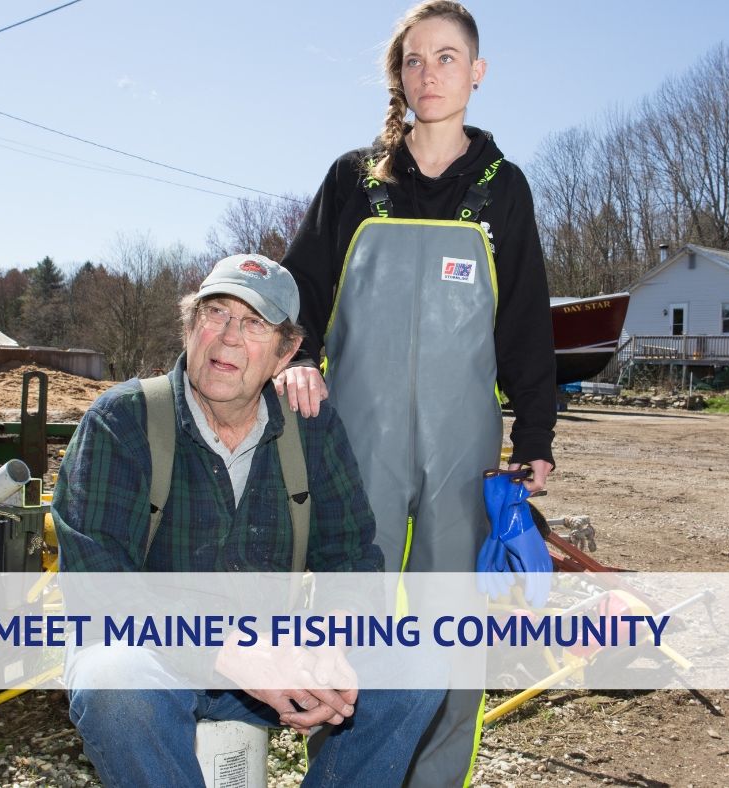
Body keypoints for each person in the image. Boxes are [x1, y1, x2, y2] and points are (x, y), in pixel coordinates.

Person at [277, 2, 557, 784]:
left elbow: (526, 319)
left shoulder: (504, 190)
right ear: (397, 75)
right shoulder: (353, 181)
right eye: (413, 59)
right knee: (346, 617)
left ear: (477, 72)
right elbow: (301, 291)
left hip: (461, 447)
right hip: (356, 443)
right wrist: (296, 357)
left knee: (450, 629)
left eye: (446, 57)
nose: (428, 74)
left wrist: (536, 436)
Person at [52, 254, 445, 787]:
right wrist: (229, 649)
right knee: (116, 683)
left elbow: (351, 556)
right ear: (191, 327)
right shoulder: (122, 421)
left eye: (255, 323)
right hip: (156, 657)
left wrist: (330, 638)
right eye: (215, 313)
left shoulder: (312, 429)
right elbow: (100, 583)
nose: (229, 337)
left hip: (273, 658)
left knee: (419, 661)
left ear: (285, 354)